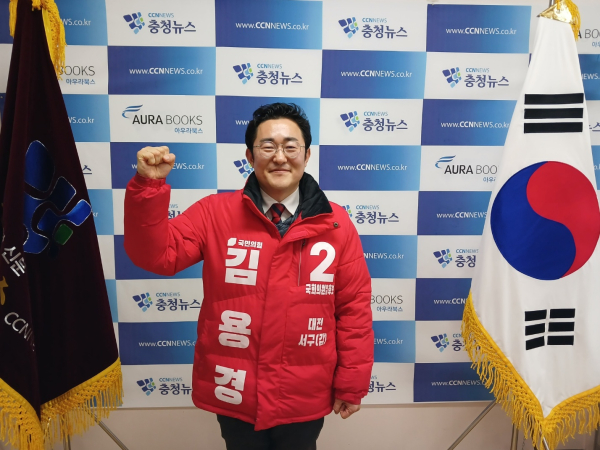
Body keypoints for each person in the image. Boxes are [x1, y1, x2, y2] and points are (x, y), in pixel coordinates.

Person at [124, 103, 373, 450]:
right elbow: (155, 256)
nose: (280, 157)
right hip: (235, 388)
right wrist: (148, 188)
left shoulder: (336, 223)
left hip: (305, 393)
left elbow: (353, 309)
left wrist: (351, 382)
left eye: (291, 146)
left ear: (307, 155)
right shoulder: (214, 213)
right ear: (249, 156)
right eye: (267, 146)